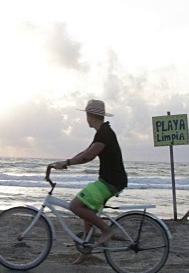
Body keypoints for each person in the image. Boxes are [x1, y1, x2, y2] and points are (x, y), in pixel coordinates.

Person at [51, 99, 128, 264]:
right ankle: (86, 250)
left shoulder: (104, 133)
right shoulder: (103, 131)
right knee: (87, 211)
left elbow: (88, 156)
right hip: (111, 180)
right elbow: (86, 151)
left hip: (111, 182)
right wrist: (66, 162)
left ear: (89, 115)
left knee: (76, 206)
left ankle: (106, 230)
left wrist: (68, 163)